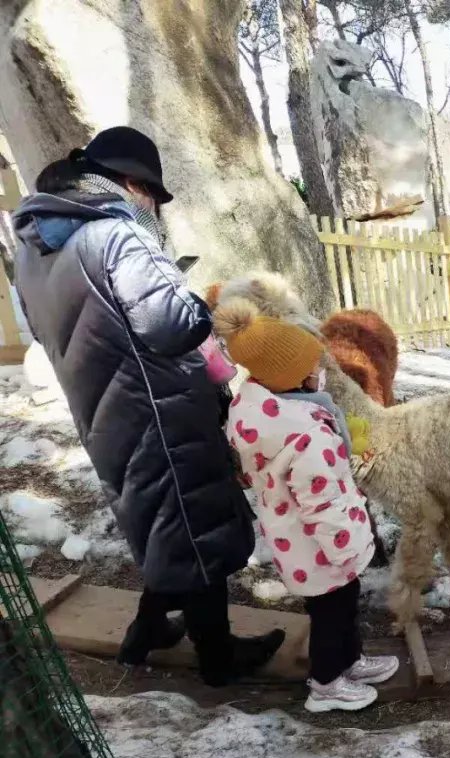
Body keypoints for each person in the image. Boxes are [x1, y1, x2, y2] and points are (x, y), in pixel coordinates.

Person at [12, 126, 284, 685]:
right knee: (194, 527)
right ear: (133, 184)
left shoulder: (36, 248)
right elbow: (173, 323)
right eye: (153, 197)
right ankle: (218, 658)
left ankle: (147, 630)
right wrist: (202, 303)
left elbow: (45, 333)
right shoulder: (115, 235)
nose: (153, 209)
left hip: (103, 410)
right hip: (162, 410)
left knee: (162, 523)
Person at [215, 301, 399, 712]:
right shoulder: (304, 436)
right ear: (292, 378)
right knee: (333, 615)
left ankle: (349, 661)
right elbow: (323, 504)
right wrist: (347, 548)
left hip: (296, 543)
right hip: (324, 548)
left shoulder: (260, 414)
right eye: (313, 366)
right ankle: (327, 683)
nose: (320, 372)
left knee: (339, 609)